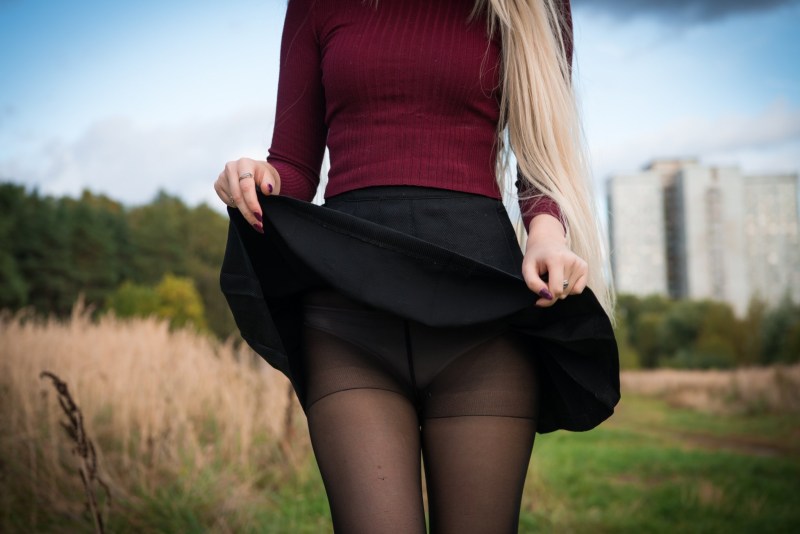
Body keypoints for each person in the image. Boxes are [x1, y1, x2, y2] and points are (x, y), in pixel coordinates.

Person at [214, 0, 619, 532]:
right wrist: (252, 178)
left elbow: (543, 160)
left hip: (483, 326)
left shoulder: (534, 7)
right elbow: (293, 167)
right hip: (347, 322)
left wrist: (546, 233)